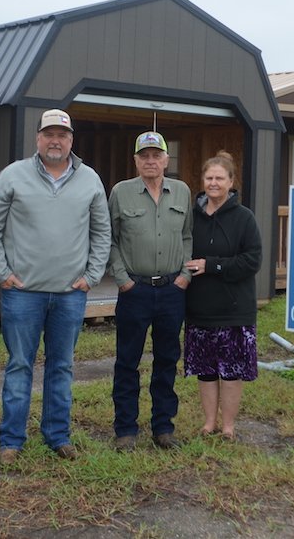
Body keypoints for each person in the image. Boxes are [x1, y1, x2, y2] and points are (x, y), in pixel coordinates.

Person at [0, 108, 111, 464]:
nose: (56, 141)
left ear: (71, 140)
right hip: (22, 292)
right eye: (49, 134)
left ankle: (57, 435)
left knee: (62, 366)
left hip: (70, 294)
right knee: (20, 364)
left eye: (63, 135)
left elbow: (102, 232)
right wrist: (1, 271)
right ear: (37, 138)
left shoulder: (90, 180)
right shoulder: (13, 175)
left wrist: (92, 275)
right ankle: (11, 440)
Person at [108, 131, 193, 451]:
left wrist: (185, 275)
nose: (150, 161)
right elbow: (110, 238)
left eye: (156, 155)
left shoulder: (182, 192)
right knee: (127, 361)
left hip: (172, 290)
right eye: (144, 156)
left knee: (167, 360)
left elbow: (187, 236)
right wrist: (121, 277)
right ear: (135, 160)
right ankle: (125, 430)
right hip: (135, 291)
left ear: (166, 160)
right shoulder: (121, 192)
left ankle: (163, 428)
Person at [183, 151, 262, 441]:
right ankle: (208, 422)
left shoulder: (244, 218)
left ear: (231, 181)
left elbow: (252, 261)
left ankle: (228, 426)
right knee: (205, 371)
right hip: (199, 308)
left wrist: (212, 265)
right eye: (209, 177)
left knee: (230, 372)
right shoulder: (191, 218)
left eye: (219, 178)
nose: (213, 182)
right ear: (202, 181)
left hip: (234, 310)